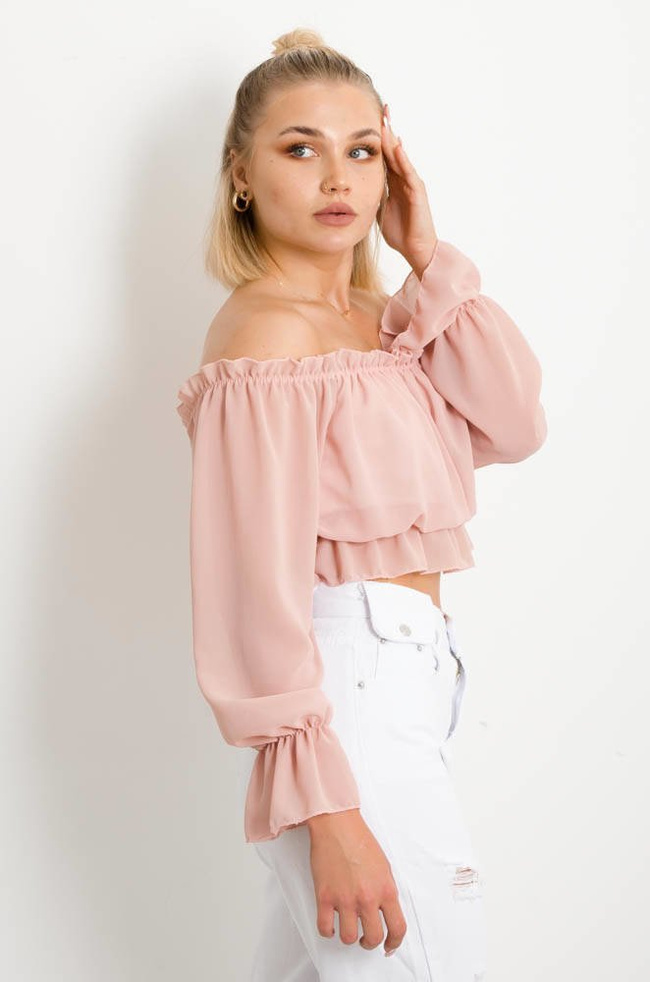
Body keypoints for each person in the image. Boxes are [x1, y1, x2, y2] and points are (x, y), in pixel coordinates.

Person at [176, 26, 547, 982]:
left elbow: (514, 423)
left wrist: (423, 252)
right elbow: (250, 584)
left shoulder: (388, 324)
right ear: (242, 175)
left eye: (362, 150)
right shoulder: (265, 336)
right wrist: (329, 808)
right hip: (348, 696)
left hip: (412, 683)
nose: (338, 178)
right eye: (300, 149)